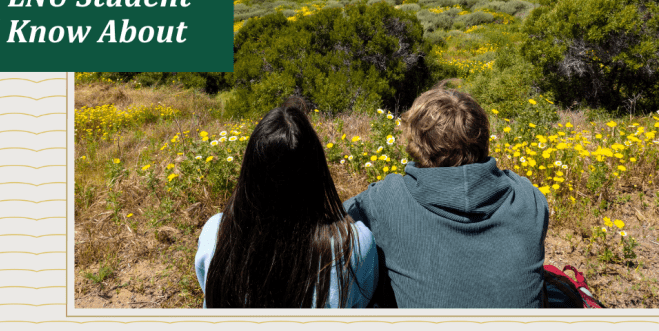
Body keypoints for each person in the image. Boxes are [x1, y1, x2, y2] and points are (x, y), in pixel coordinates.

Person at [343, 86, 549, 308]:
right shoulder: (528, 197)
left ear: (415, 143)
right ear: (484, 138)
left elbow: (336, 223)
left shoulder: (385, 198)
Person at [195, 100, 378, 308]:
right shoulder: (353, 244)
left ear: (250, 170)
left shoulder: (217, 233)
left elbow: (210, 292)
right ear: (316, 170)